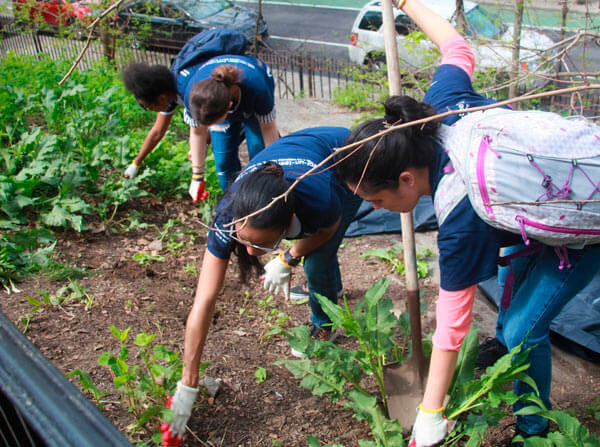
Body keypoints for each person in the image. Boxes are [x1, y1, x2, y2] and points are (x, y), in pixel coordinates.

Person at [333, 1, 600, 446]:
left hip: (582, 227)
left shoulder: (460, 214)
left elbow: (452, 327)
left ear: (405, 178)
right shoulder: (435, 108)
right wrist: (406, 4)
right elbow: (456, 47)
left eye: (377, 200)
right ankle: (510, 354)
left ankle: (532, 429)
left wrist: (431, 412)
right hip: (535, 209)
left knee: (522, 328)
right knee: (512, 290)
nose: (378, 210)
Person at [159, 127, 362, 446]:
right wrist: (188, 383)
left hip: (345, 155)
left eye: (262, 244)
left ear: (287, 225)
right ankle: (330, 291)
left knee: (319, 257)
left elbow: (327, 229)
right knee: (313, 256)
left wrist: (290, 257)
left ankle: (324, 325)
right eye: (244, 240)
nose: (251, 252)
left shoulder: (318, 200)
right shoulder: (228, 215)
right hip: (294, 154)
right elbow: (205, 299)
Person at [122, 51, 279, 200]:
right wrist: (197, 177)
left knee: (259, 154)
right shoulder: (194, 95)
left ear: (228, 108)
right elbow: (197, 133)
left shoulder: (258, 90)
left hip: (253, 91)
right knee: (223, 161)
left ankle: (263, 200)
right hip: (218, 99)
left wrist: (274, 166)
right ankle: (234, 203)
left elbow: (269, 130)